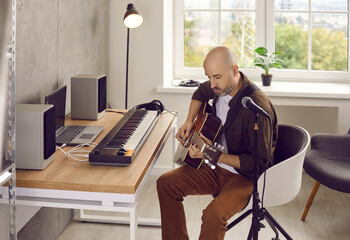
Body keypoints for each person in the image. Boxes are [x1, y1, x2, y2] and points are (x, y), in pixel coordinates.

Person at [156, 46, 278, 240]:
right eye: (209, 76)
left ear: (235, 70)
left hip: (244, 178)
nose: (212, 83)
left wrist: (212, 154)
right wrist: (189, 121)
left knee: (213, 215)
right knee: (165, 183)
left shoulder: (256, 107)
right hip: (215, 168)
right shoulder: (217, 87)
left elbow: (260, 162)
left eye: (217, 77)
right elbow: (200, 92)